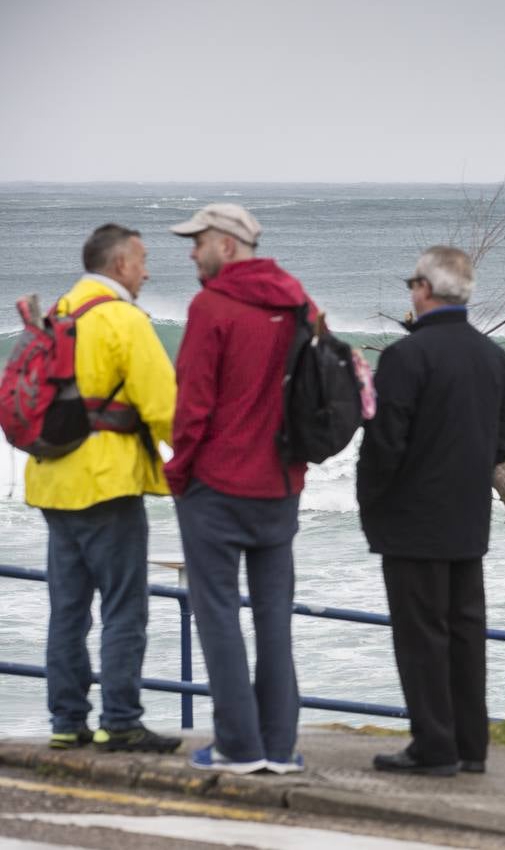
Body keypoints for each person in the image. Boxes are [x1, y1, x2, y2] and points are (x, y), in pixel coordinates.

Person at [357, 245, 505, 776]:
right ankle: (471, 745)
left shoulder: (407, 357)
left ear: (424, 290)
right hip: (467, 516)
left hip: (411, 521)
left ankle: (434, 746)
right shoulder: (492, 356)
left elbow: (384, 444)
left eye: (412, 284)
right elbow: (503, 442)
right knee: (466, 634)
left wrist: (372, 501)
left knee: (421, 636)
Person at [26, 223, 181, 754]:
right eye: (141, 261)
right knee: (123, 608)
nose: (147, 271)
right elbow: (165, 407)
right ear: (119, 266)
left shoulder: (58, 313)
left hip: (51, 482)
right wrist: (197, 465)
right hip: (107, 484)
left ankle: (67, 722)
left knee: (68, 610)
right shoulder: (122, 319)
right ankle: (121, 721)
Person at [165, 203, 310, 775]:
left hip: (219, 486)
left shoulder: (212, 305)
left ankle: (237, 746)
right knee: (275, 617)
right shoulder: (299, 301)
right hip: (281, 485)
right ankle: (279, 747)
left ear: (226, 246)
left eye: (197, 240)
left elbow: (192, 404)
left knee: (218, 615)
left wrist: (178, 475)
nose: (191, 251)